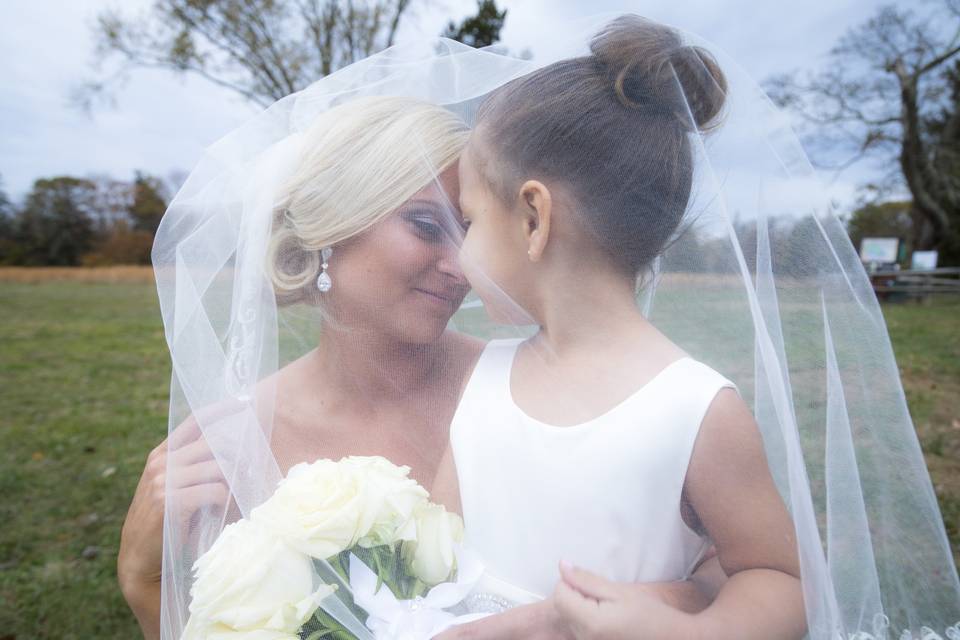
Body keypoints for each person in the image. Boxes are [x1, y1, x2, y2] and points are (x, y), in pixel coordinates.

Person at [119, 93, 714, 640]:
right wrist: (145, 586)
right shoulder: (231, 447)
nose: (463, 268)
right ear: (333, 221)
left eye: (473, 227)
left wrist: (570, 620)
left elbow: (715, 571)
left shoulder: (535, 387)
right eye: (428, 226)